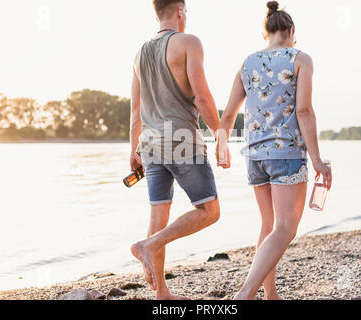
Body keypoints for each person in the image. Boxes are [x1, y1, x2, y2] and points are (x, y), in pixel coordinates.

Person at [216, 1, 332, 300]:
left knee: (268, 224)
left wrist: (222, 144)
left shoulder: (247, 62)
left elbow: (228, 115)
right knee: (285, 228)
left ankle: (270, 295)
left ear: (266, 31)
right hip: (287, 153)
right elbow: (304, 110)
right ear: (290, 31)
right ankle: (245, 293)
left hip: (254, 156)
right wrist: (318, 159)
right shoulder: (300, 58)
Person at [129, 0, 227, 300]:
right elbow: (201, 95)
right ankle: (147, 246)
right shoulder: (188, 43)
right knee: (210, 211)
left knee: (159, 214)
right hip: (181, 140)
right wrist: (220, 133)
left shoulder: (139, 53)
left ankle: (162, 295)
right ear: (180, 11)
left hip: (150, 145)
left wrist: (133, 150)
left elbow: (136, 109)